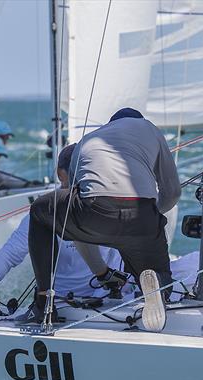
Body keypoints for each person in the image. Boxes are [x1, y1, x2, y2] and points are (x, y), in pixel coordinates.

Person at [24, 108, 180, 329]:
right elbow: (172, 192)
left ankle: (43, 303)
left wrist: (102, 272)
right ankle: (158, 291)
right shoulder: (149, 129)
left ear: (111, 124)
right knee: (156, 270)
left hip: (94, 213)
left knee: (39, 211)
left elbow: (74, 219)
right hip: (141, 215)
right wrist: (151, 216)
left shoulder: (87, 141)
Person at [0, 144, 125, 315]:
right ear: (60, 174)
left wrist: (97, 302)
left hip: (105, 303)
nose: (81, 179)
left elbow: (119, 260)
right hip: (58, 303)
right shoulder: (44, 211)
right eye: (76, 172)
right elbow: (10, 253)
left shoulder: (108, 209)